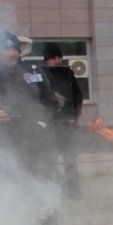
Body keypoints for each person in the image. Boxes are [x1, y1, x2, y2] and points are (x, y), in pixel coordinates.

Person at [0, 31, 60, 225]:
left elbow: (51, 104)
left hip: (34, 140)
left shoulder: (34, 71)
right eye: (5, 49)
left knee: (40, 184)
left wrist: (39, 122)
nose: (10, 53)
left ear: (20, 51)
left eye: (13, 49)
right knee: (8, 184)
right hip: (2, 142)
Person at [40, 43, 84, 200]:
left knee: (71, 160)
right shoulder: (40, 75)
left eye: (59, 58)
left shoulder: (67, 74)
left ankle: (75, 193)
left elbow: (78, 96)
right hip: (50, 126)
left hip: (69, 124)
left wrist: (75, 115)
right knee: (51, 161)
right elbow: (39, 100)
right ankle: (54, 193)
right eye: (54, 58)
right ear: (46, 59)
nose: (57, 61)